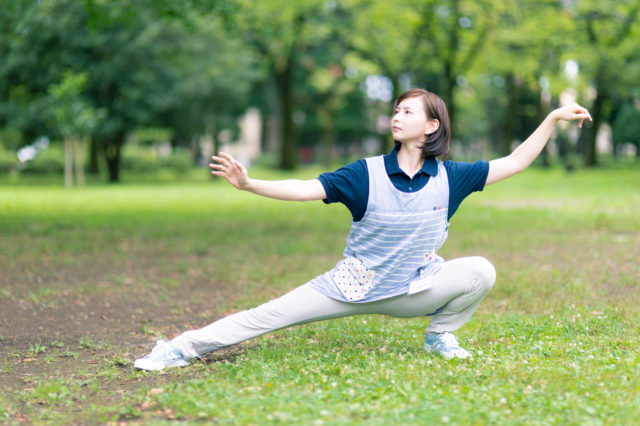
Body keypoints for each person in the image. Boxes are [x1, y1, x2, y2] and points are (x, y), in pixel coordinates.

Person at [134, 88, 591, 371]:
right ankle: (177, 349)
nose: (397, 116)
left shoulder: (453, 177)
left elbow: (513, 162)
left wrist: (551, 119)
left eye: (408, 112)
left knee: (481, 271)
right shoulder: (364, 173)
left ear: (432, 126)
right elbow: (306, 187)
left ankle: (440, 336)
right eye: (395, 110)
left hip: (414, 289)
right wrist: (250, 183)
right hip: (349, 287)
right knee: (266, 315)